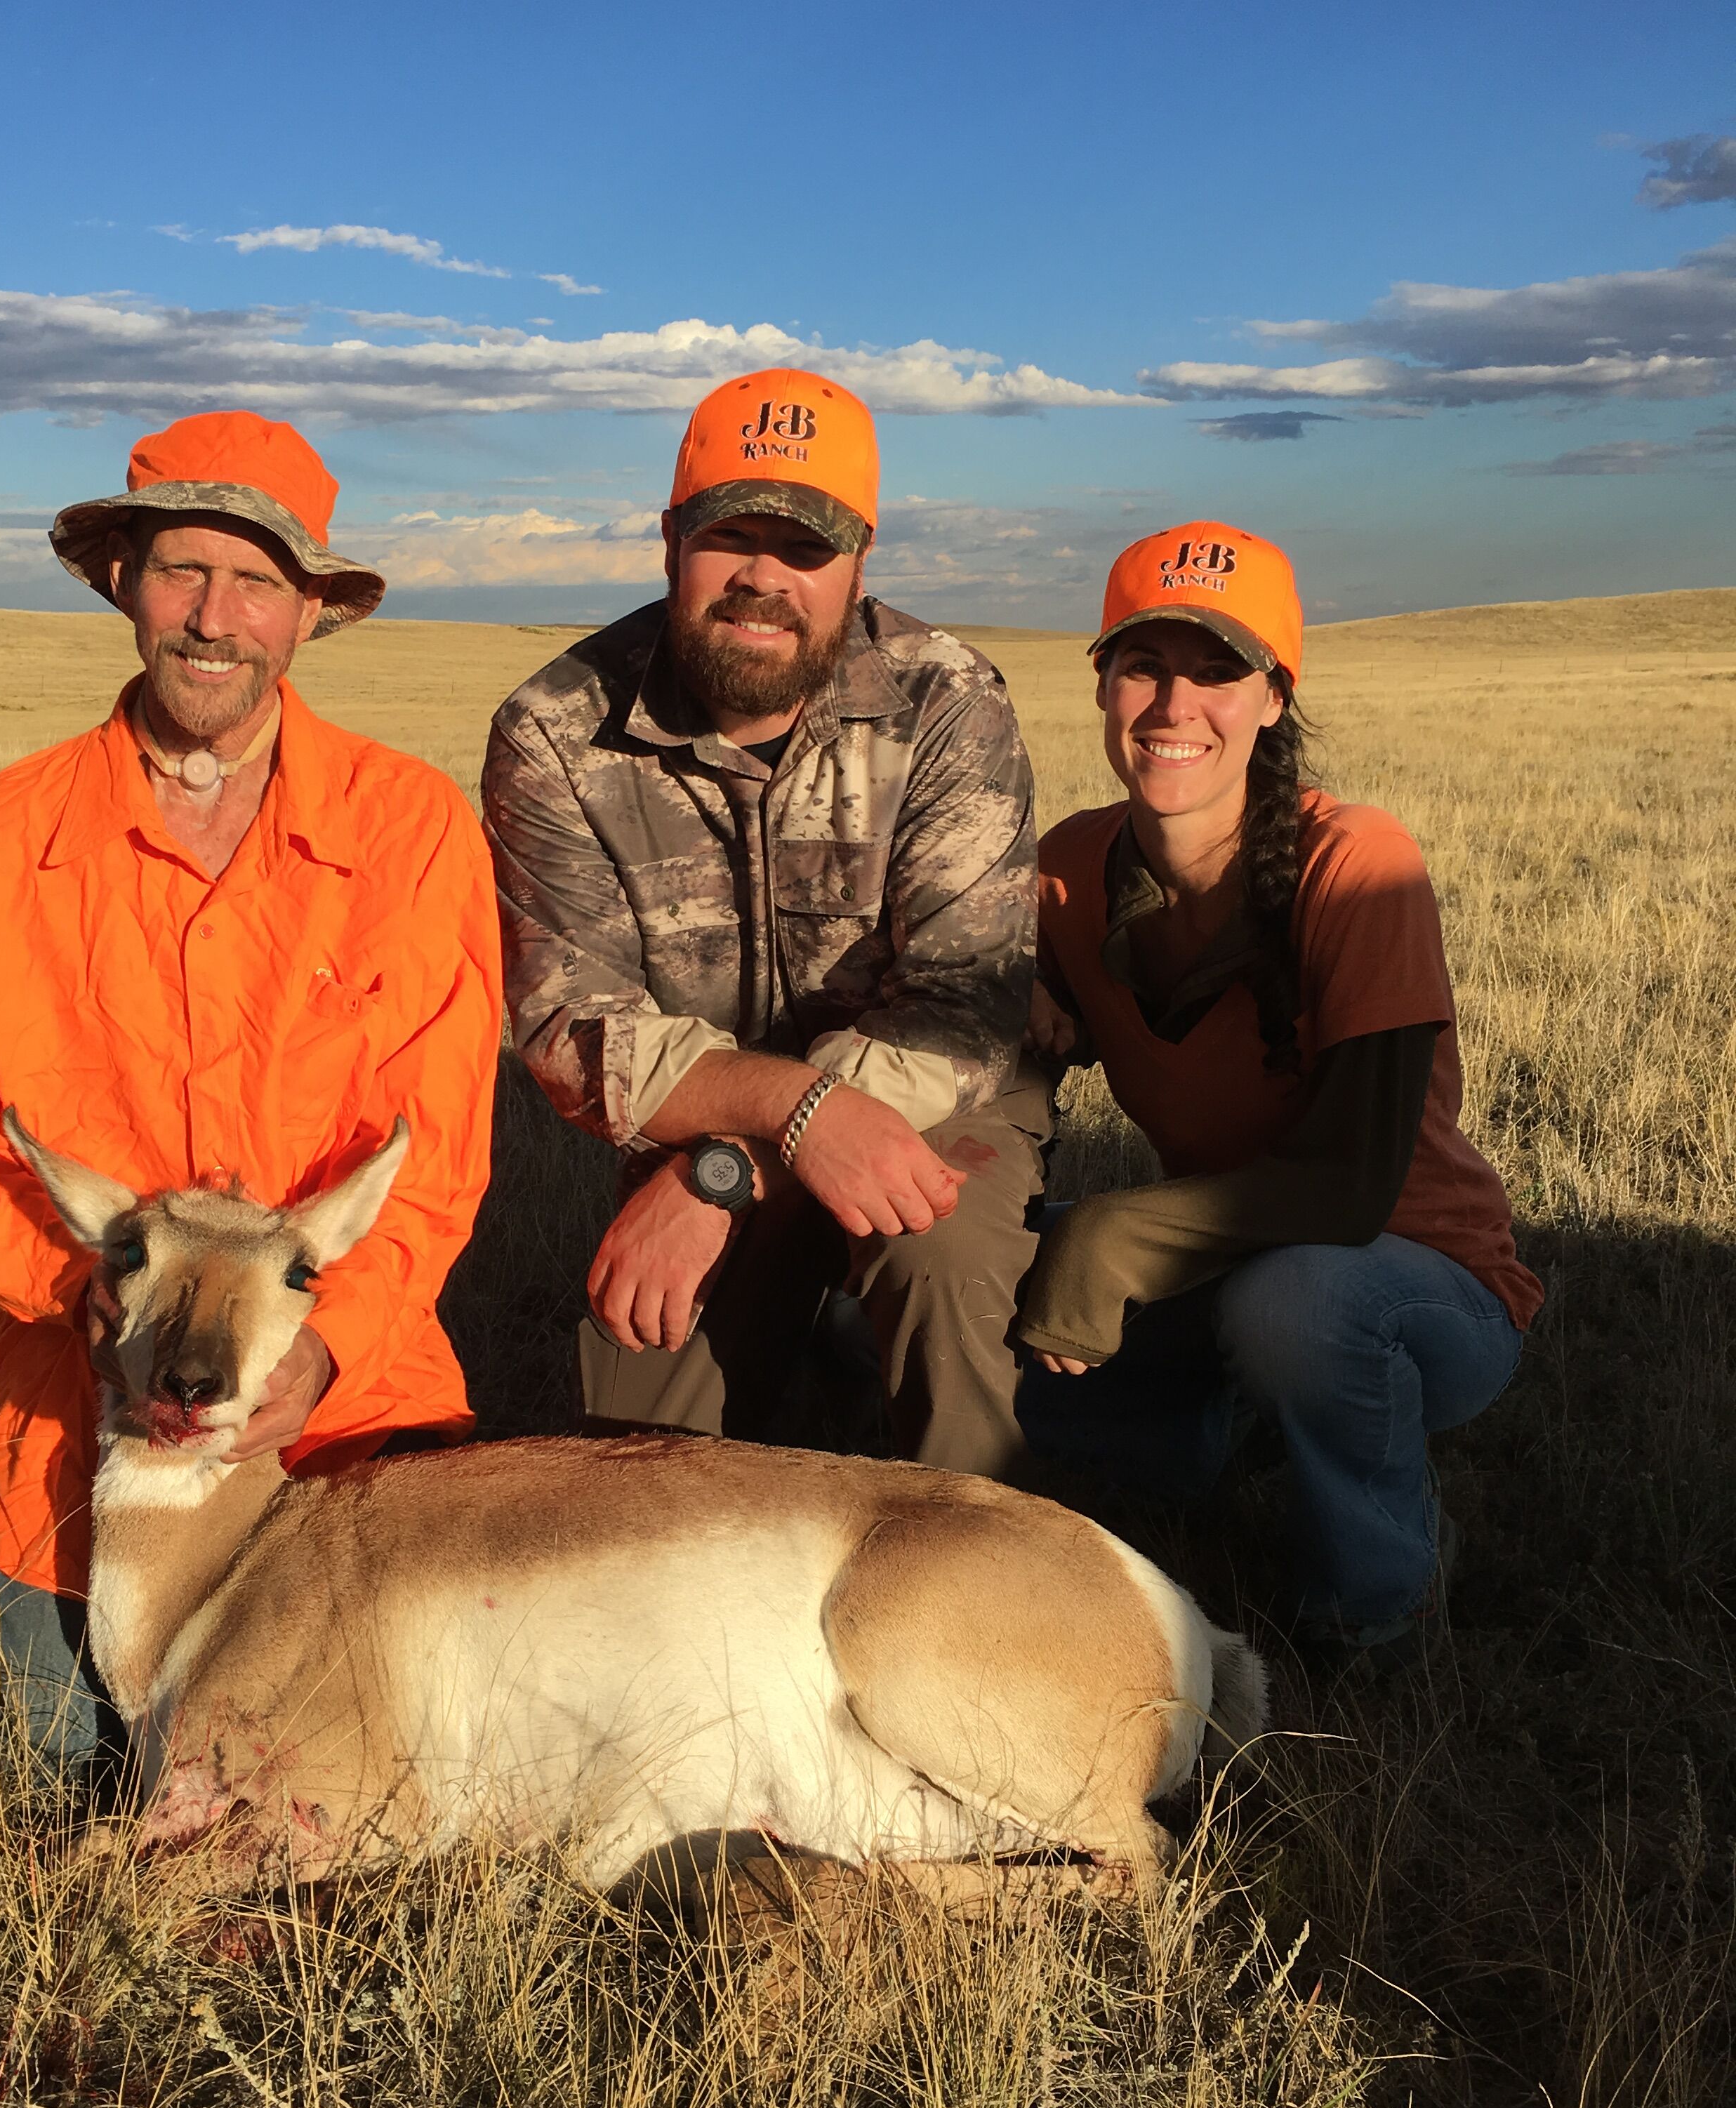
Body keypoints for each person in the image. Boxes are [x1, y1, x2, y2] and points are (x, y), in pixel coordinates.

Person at [0, 411, 503, 1782]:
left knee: (384, 1817)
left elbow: (436, 1159)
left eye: (258, 580)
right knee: (52, 1783)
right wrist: (70, 1282)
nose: (215, 619)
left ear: (310, 613)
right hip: (70, 1463)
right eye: (182, 572)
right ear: (123, 583)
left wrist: (327, 1353)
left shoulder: (412, 835)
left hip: (346, 1433)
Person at [482, 367, 1051, 1470]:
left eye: (805, 550)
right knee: (636, 1414)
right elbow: (570, 1031)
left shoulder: (948, 700)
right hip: (707, 1132)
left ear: (859, 566)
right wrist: (786, 1116)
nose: (762, 580)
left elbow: (964, 1014)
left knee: (937, 1251)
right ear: (668, 541)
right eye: (729, 536)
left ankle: (982, 1564)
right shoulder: (555, 730)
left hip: (929, 1106)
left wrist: (743, 1157)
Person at [1013, 521, 1541, 1669]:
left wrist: (1109, 1236)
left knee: (1295, 1306)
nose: (1174, 704)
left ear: (1271, 698)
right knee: (930, 1296)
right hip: (1217, 1268)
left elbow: (1355, 1186)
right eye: (1145, 664)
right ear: (1102, 682)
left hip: (1419, 1285)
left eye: (1216, 671)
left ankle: (1379, 1607)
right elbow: (994, 1058)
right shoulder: (1065, 870)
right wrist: (1021, 1016)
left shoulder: (1357, 862)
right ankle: (1204, 1441)